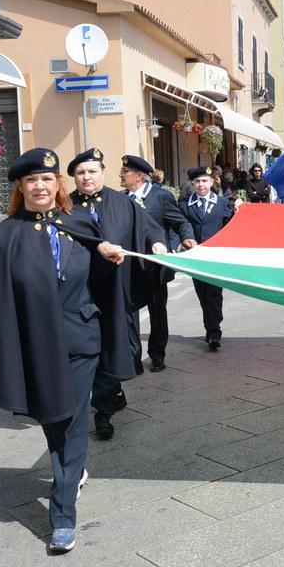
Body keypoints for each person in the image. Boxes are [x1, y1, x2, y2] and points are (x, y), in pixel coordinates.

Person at [0, 148, 130, 554]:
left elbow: (99, 279)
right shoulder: (2, 237)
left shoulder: (80, 224)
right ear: (21, 187)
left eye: (47, 179)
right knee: (54, 416)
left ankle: (63, 514)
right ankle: (70, 472)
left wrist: (107, 254)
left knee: (70, 419)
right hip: (35, 344)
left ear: (57, 185)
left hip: (81, 339)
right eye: (32, 180)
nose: (40, 186)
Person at [69, 148, 167, 439]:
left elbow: (150, 229)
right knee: (88, 348)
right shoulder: (66, 207)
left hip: (115, 289)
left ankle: (106, 405)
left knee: (114, 344)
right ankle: (104, 405)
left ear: (101, 173)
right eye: (80, 173)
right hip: (79, 293)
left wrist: (157, 243)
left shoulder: (123, 204)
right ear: (74, 177)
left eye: (92, 171)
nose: (86, 177)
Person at [119, 155, 196, 373]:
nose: (121, 175)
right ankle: (134, 358)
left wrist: (186, 237)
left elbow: (180, 222)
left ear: (140, 176)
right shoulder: (119, 198)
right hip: (129, 265)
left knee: (157, 312)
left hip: (155, 266)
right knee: (129, 314)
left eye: (125, 171)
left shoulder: (160, 197)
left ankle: (157, 354)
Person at [180, 167, 233, 350]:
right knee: (202, 294)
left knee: (214, 293)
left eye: (204, 181)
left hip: (216, 256)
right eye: (197, 182)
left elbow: (230, 225)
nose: (201, 185)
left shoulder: (222, 203)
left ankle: (214, 332)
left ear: (212, 182)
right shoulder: (186, 204)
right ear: (193, 184)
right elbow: (181, 225)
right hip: (196, 257)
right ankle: (210, 327)